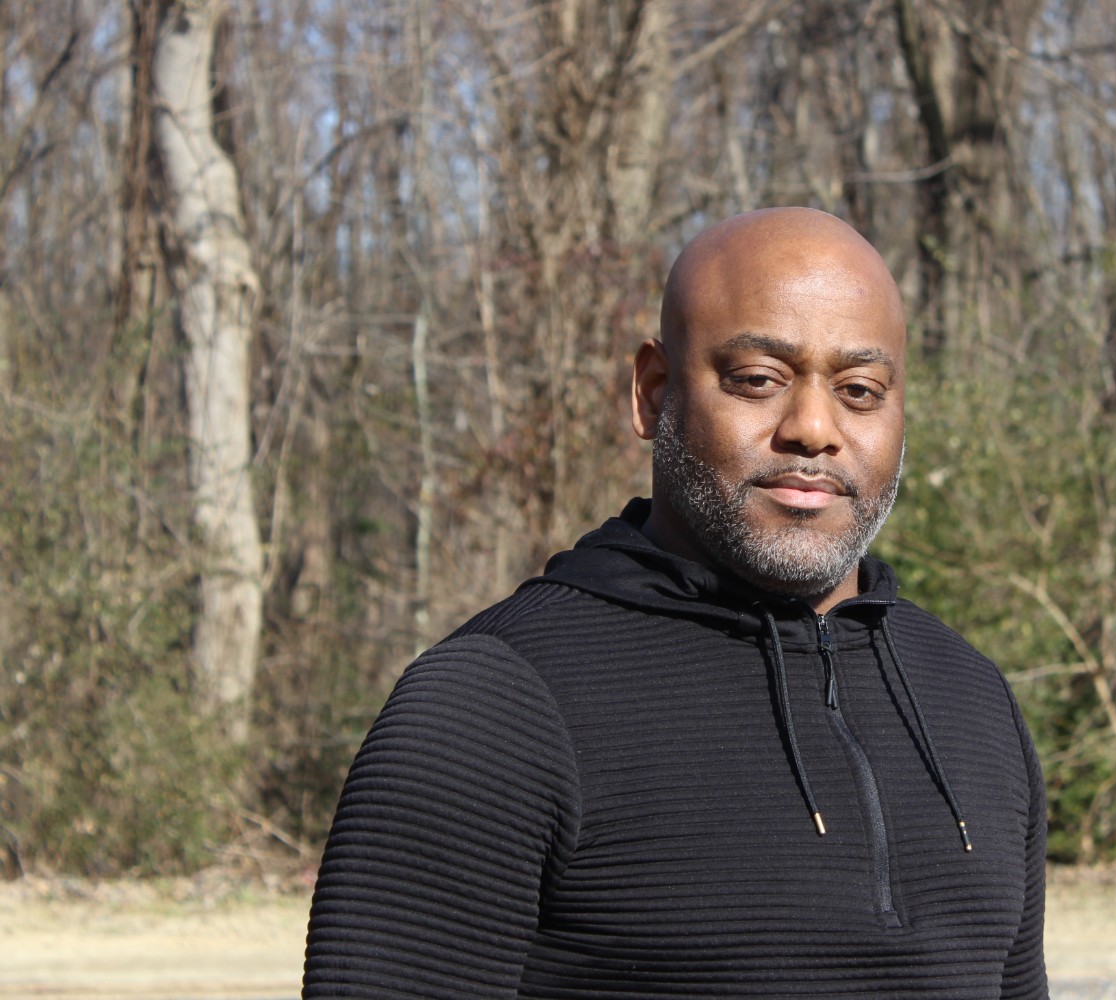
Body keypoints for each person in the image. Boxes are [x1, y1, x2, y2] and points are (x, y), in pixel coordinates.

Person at [302, 208, 1048, 999]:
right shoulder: (491, 707)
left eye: (861, 391)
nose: (814, 429)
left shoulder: (973, 703)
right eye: (758, 380)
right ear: (654, 393)